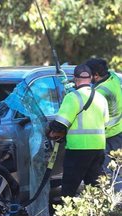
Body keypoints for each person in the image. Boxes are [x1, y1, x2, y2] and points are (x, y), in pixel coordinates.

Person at [47, 64, 109, 197]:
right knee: (95, 188)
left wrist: (51, 131)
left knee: (69, 188)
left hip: (78, 150)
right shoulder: (101, 98)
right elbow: (106, 122)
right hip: (98, 148)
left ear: (75, 79)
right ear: (91, 78)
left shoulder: (72, 97)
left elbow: (60, 124)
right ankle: (98, 215)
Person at [85, 58, 122, 192]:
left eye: (89, 75)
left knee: (111, 174)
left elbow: (84, 105)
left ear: (96, 75)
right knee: (117, 170)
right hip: (118, 131)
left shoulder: (101, 92)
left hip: (109, 135)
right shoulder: (114, 78)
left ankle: (116, 206)